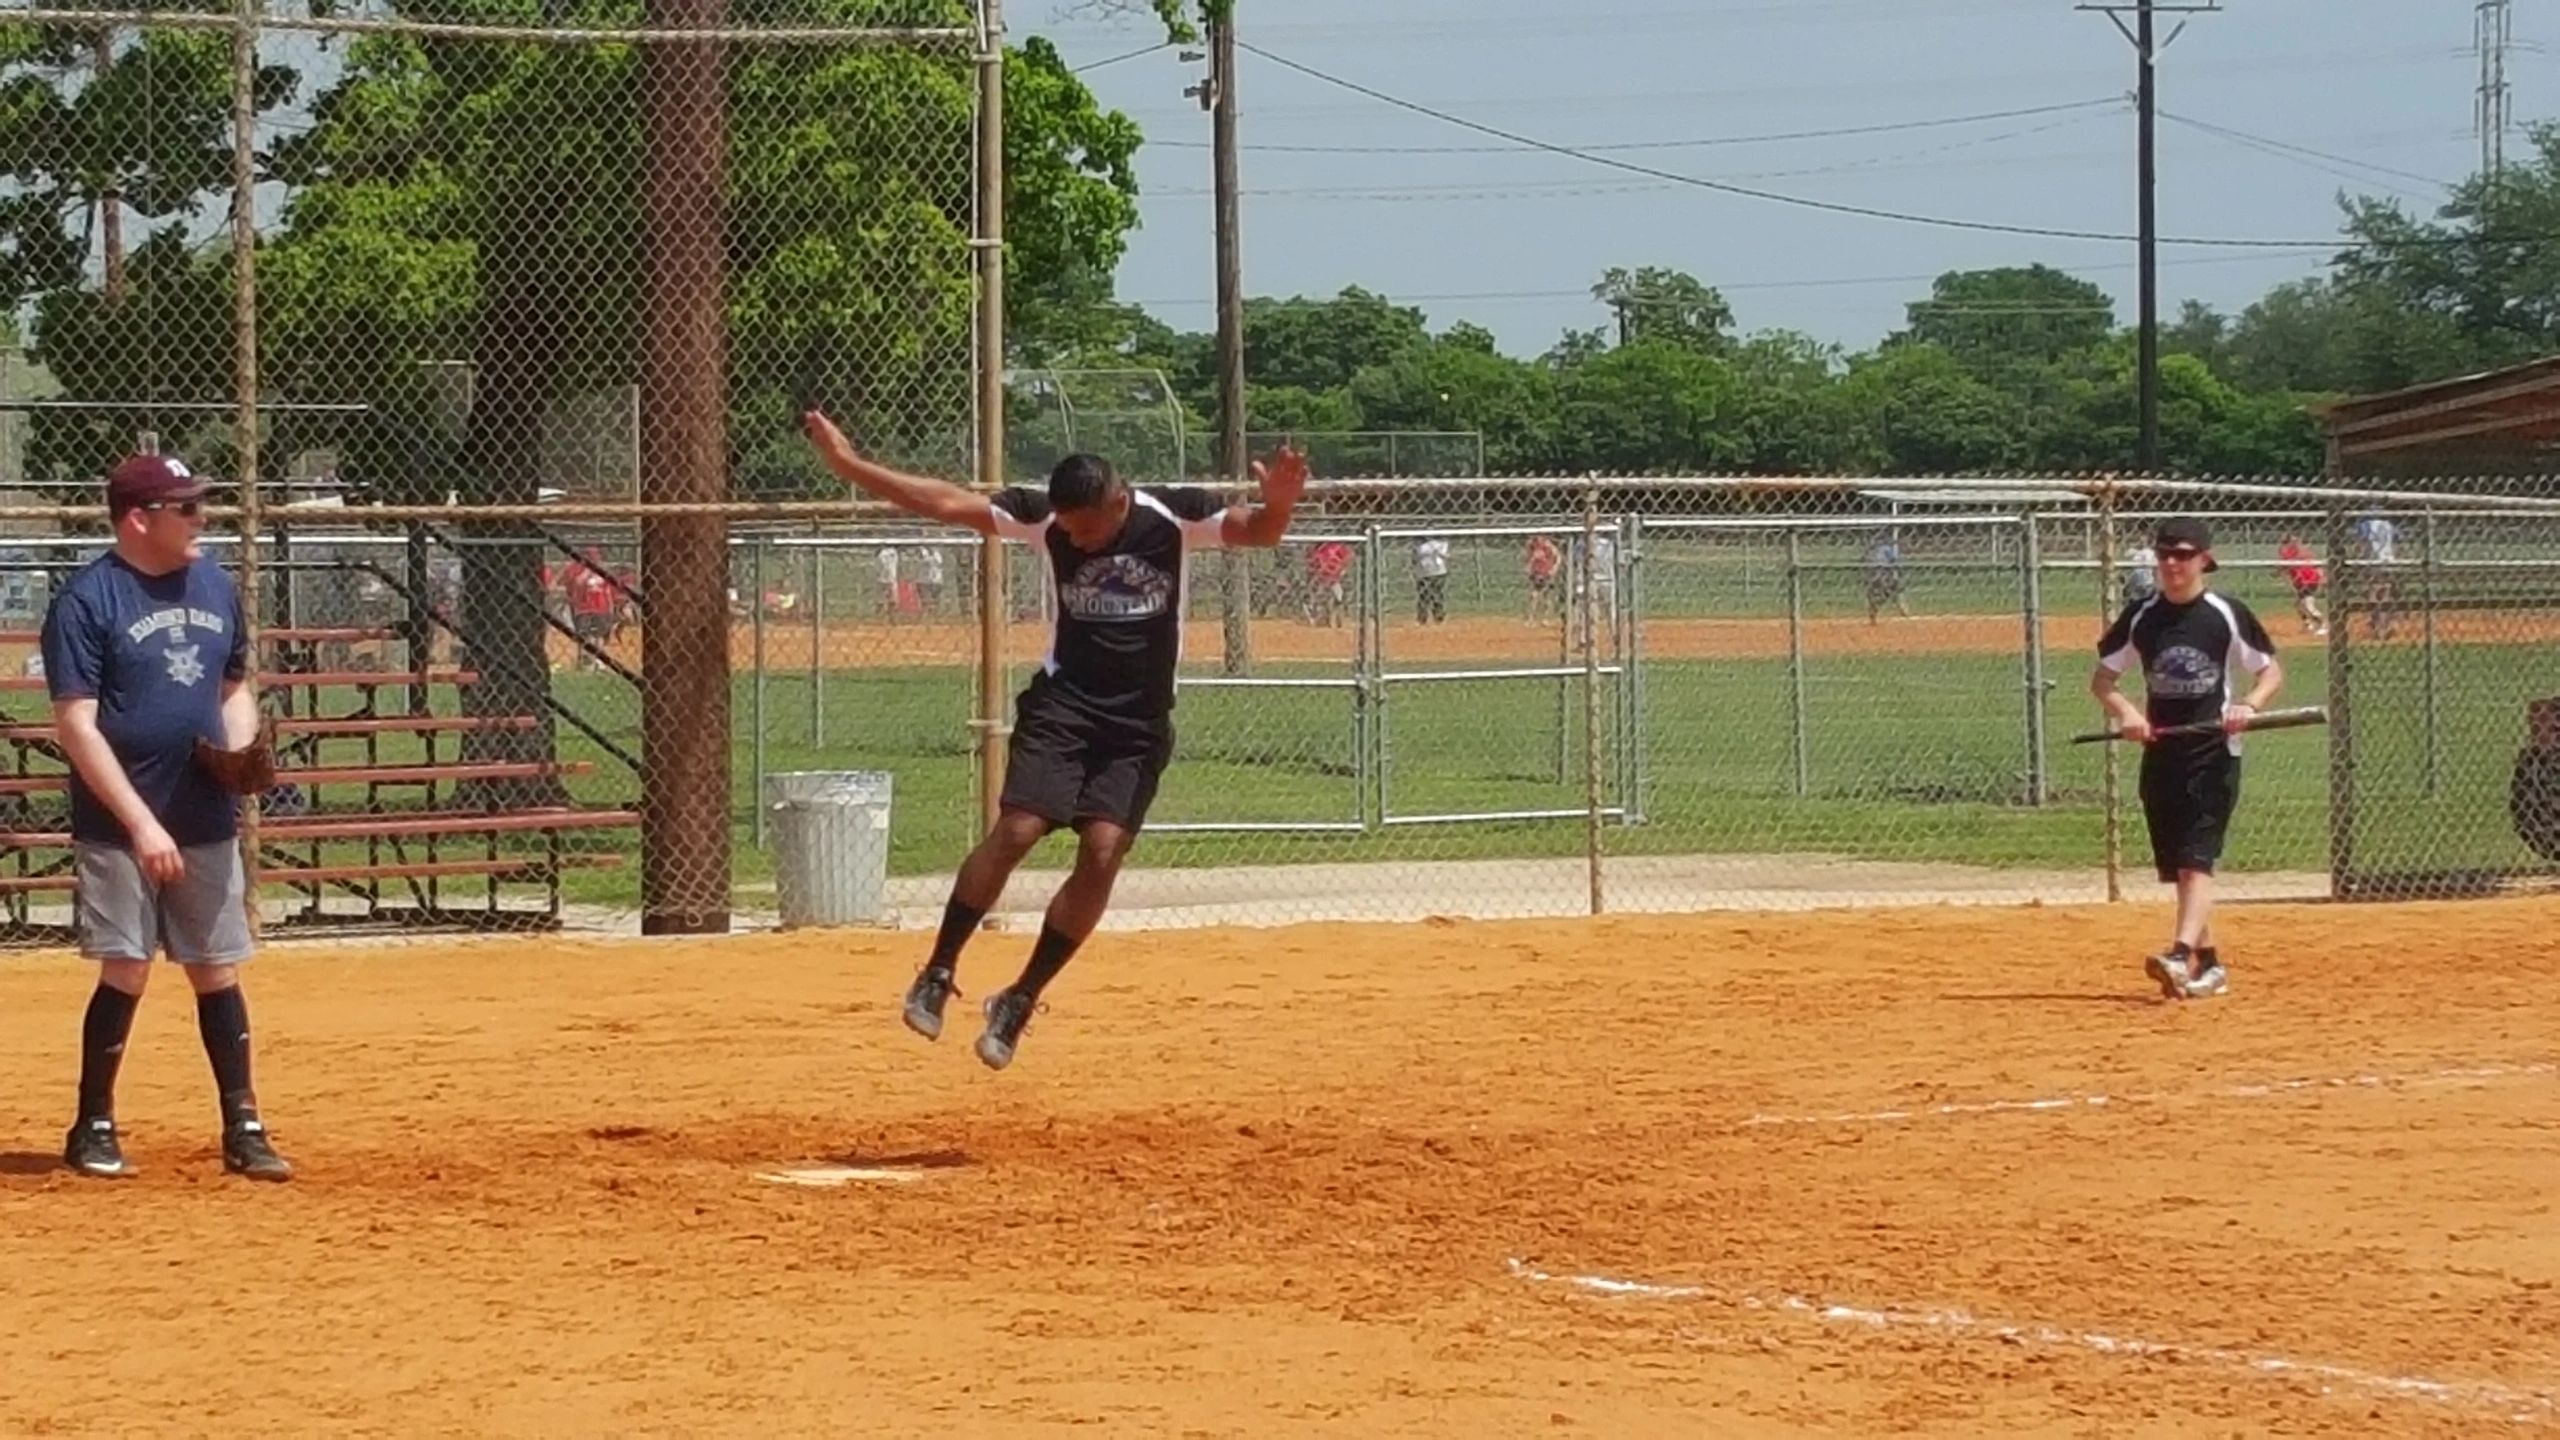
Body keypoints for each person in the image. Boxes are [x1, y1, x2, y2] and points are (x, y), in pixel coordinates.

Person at [802, 410, 1306, 1069]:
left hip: (1137, 722)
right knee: (1017, 830)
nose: (1079, 542)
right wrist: (851, 467)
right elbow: (948, 502)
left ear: (1119, 501)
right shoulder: (1048, 519)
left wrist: (1281, 505)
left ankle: (1019, 998)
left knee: (1102, 852)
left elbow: (1260, 532)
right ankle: (939, 967)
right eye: (1069, 531)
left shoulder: (1173, 518)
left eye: (1089, 529)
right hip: (1064, 706)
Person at [39, 453, 291, 1181]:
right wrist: (142, 823)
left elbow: (235, 680)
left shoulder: (215, 584)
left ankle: (244, 1125)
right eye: (184, 508)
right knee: (126, 966)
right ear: (138, 518)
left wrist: (240, 744)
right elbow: (77, 724)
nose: (199, 518)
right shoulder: (88, 600)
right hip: (121, 820)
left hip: (202, 811)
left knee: (216, 967)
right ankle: (93, 1123)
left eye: (199, 505)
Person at [2090, 517, 2283, 1004]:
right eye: (2164, 556)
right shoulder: (2142, 616)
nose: (2172, 564)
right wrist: (2129, 714)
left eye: (2182, 555)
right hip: (2162, 754)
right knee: (2181, 867)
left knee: (2198, 863)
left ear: (2203, 560)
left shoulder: (2224, 613)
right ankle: (2211, 965)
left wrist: (2249, 706)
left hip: (2212, 752)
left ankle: (2178, 954)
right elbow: (2103, 682)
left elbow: (2270, 672)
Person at [2276, 534, 2326, 636]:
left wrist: (2322, 576)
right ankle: (2308, 624)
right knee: (2299, 604)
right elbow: (2284, 567)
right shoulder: (2290, 551)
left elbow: (2315, 564)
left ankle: (2323, 624)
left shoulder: (2297, 551)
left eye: (2285, 543)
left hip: (2308, 580)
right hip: (2300, 581)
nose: (2283, 545)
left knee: (2308, 605)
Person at [1863, 534, 1911, 625]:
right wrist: (1899, 570)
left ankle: (1874, 609)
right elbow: (1894, 561)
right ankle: (1902, 608)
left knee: (1877, 593)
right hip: (1882, 573)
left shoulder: (1872, 550)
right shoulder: (1887, 548)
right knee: (1894, 588)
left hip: (1872, 574)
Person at [1412, 535, 1451, 625]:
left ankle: (1439, 617)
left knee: (1437, 596)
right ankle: (1422, 618)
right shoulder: (1419, 545)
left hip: (1438, 572)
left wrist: (1438, 552)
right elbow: (1414, 558)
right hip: (1423, 573)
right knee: (1423, 597)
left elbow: (1446, 556)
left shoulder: (1442, 544)